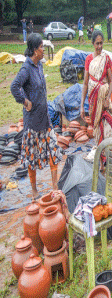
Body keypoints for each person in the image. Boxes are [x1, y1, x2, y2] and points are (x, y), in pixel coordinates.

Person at [11, 33, 63, 200]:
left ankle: (55, 187)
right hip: (32, 122)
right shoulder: (26, 68)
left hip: (45, 118)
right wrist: (25, 101)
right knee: (31, 156)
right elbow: (14, 87)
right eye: (41, 47)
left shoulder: (38, 65)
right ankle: (34, 190)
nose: (43, 49)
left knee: (53, 150)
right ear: (35, 50)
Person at [81, 30, 112, 144]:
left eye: (101, 43)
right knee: (96, 127)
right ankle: (99, 149)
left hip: (104, 101)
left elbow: (111, 81)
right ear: (93, 43)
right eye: (97, 43)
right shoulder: (89, 59)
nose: (99, 46)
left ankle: (107, 150)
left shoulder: (106, 58)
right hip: (93, 101)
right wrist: (82, 106)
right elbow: (85, 83)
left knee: (106, 126)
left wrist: (107, 99)